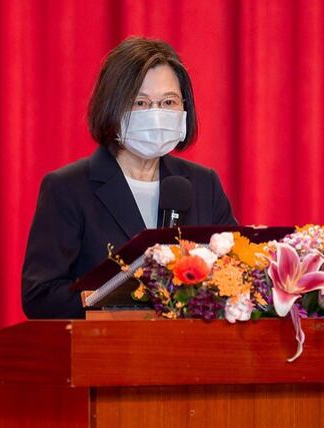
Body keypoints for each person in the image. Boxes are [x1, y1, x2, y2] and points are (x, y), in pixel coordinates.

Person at [21, 37, 238, 319]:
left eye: (168, 102)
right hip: (106, 344)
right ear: (112, 107)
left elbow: (237, 274)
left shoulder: (202, 185)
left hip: (191, 345)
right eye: (140, 102)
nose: (156, 114)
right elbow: (40, 296)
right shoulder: (68, 188)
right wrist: (110, 300)